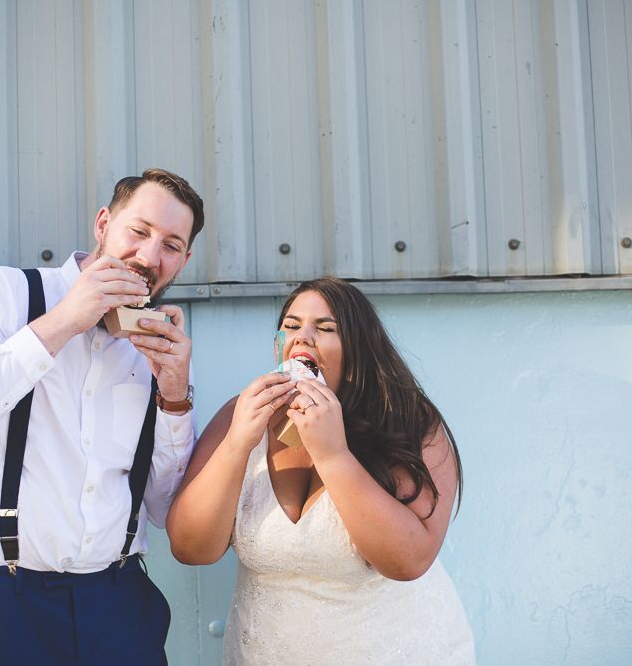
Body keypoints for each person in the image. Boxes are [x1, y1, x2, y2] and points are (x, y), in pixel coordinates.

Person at [0, 168, 204, 666]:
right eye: (138, 232)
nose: (149, 257)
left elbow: (162, 508)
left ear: (184, 259)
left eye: (171, 245)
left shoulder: (158, 345)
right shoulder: (1, 294)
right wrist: (63, 322)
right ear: (102, 224)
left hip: (120, 602)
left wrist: (176, 397)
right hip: (1, 599)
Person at [166, 277, 476, 665]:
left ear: (358, 351)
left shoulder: (405, 422)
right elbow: (191, 548)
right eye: (291, 326)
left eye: (325, 328)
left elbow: (408, 561)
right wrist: (236, 446)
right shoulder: (241, 414)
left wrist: (333, 455)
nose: (303, 338)